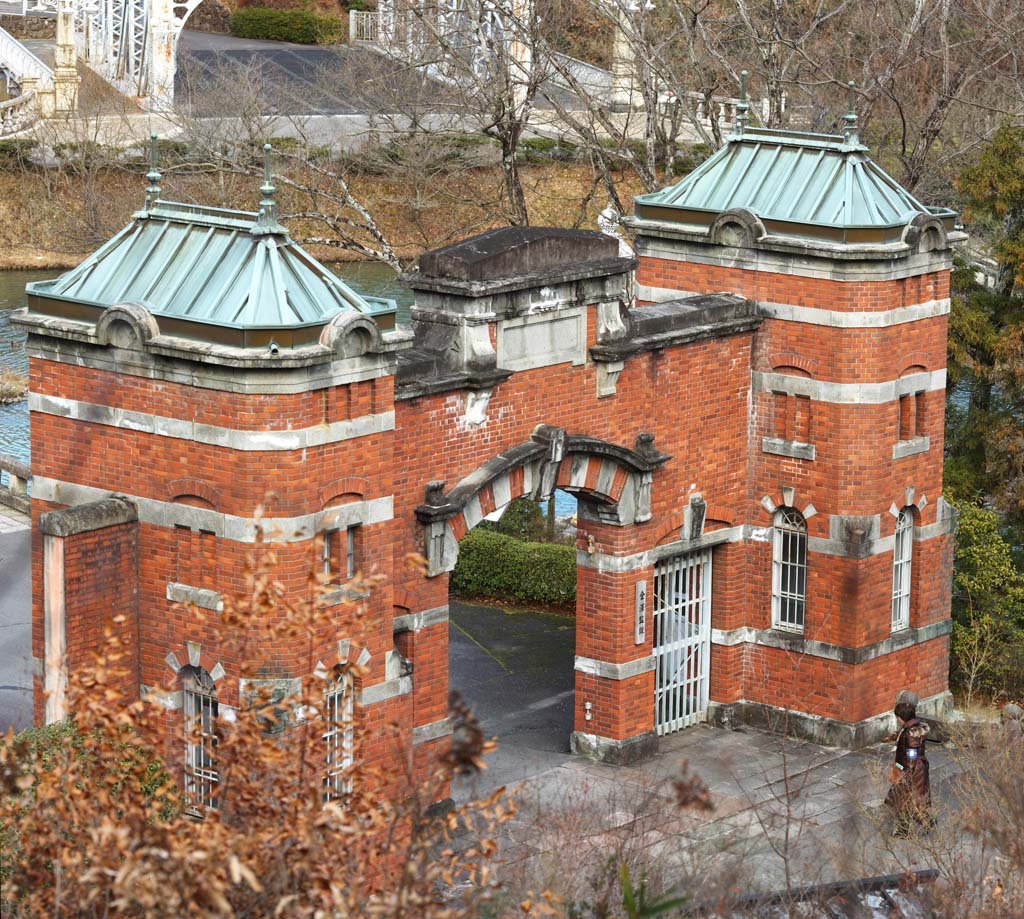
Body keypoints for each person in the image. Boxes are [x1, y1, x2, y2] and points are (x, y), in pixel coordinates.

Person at [884, 699, 933, 837]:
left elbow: (912, 753)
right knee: (906, 801)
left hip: (912, 771)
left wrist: (906, 773)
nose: (897, 720)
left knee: (904, 801)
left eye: (898, 717)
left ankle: (908, 829)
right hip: (914, 770)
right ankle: (919, 823)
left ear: (902, 718)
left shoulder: (910, 734)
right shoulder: (913, 729)